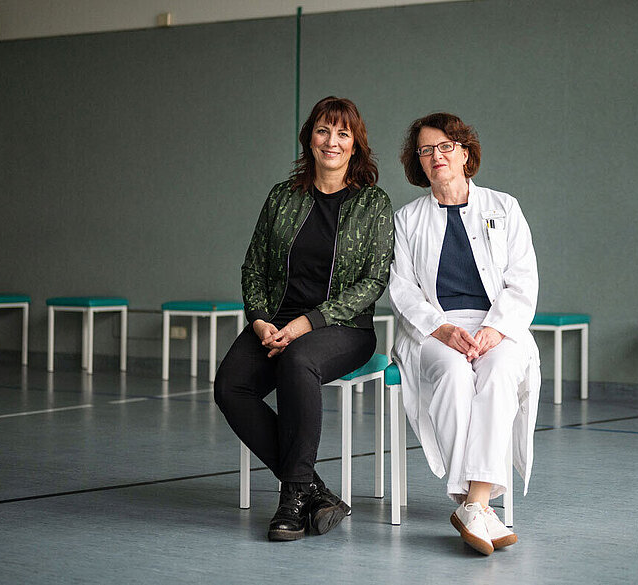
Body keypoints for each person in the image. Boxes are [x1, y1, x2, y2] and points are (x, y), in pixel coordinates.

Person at [214, 96, 394, 542]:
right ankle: (314, 489)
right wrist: (258, 320)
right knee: (230, 387)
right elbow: (253, 266)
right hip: (276, 322)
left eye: (343, 134)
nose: (332, 141)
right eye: (323, 131)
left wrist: (308, 322)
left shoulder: (373, 204)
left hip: (343, 328)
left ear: (356, 146)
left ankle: (293, 495)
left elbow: (374, 282)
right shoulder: (282, 196)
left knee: (298, 360)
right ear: (309, 138)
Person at [388, 112, 540, 555]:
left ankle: (471, 504)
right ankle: (479, 508)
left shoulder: (504, 207)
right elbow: (401, 288)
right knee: (454, 377)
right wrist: (442, 328)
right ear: (418, 162)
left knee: (498, 375)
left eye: (445, 146)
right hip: (434, 331)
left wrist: (494, 329)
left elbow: (523, 280)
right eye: (426, 150)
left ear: (465, 152)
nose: (436, 156)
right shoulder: (407, 219)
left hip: (498, 325)